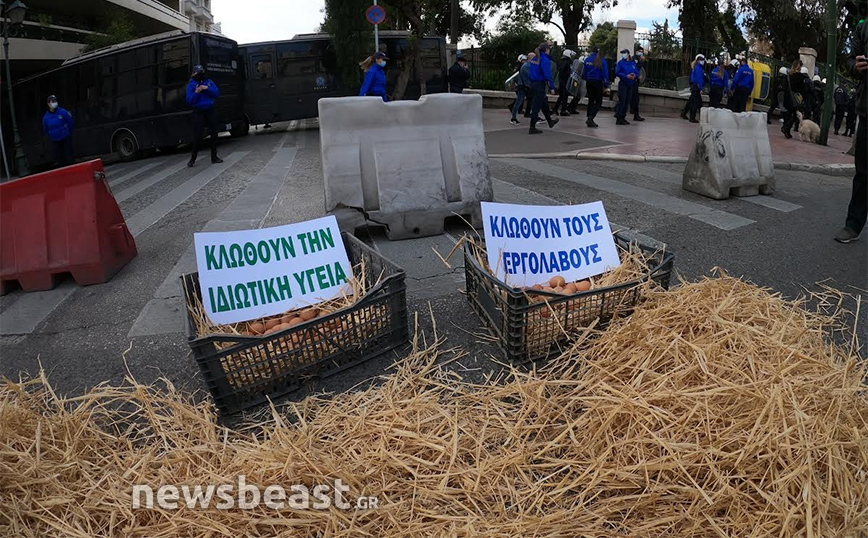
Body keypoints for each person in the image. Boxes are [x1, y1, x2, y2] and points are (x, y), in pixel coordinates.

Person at [834, 19, 867, 244]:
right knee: (864, 172)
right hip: (867, 109)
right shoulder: (863, 27)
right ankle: (853, 224)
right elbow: (849, 59)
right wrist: (855, 66)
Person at [185, 65, 222, 167]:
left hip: (210, 109)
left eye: (202, 72)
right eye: (198, 73)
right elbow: (189, 101)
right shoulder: (191, 84)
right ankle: (193, 158)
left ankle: (214, 157)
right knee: (197, 135)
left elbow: (217, 93)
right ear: (194, 74)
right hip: (198, 111)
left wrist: (207, 88)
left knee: (214, 133)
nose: (201, 75)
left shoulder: (208, 81)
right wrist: (197, 92)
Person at [528, 42, 559, 134]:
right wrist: (552, 87)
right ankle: (532, 127)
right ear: (546, 50)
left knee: (544, 103)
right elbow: (548, 74)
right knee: (536, 106)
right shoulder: (544, 59)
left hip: (533, 83)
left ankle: (550, 121)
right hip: (539, 84)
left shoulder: (535, 58)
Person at [42, 95, 74, 168]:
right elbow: (46, 129)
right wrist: (52, 135)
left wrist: (68, 132)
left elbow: (70, 122)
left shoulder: (63, 112)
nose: (54, 103)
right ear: (48, 104)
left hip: (65, 137)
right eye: (52, 101)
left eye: (55, 101)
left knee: (69, 156)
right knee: (59, 158)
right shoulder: (46, 117)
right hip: (55, 140)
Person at [582, 47, 610, 128]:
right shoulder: (602, 60)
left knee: (591, 100)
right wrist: (606, 84)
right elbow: (605, 73)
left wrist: (586, 78)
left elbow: (584, 72)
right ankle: (591, 118)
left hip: (589, 82)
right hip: (597, 82)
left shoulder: (587, 59)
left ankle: (589, 117)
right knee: (598, 102)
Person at [782, 60, 807, 139]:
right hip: (795, 98)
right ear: (799, 67)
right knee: (796, 114)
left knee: (788, 113)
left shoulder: (788, 75)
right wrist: (804, 98)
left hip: (787, 97)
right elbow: (802, 89)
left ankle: (786, 129)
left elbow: (784, 87)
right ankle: (786, 128)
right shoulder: (800, 76)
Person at [614, 49, 639, 125]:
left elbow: (637, 72)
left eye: (624, 53)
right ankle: (619, 117)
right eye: (622, 53)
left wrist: (634, 75)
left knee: (627, 101)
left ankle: (623, 117)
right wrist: (626, 76)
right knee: (622, 101)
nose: (623, 54)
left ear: (628, 54)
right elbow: (617, 72)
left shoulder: (632, 63)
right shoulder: (620, 63)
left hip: (631, 84)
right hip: (623, 84)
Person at [554, 49, 575, 116]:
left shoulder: (561, 61)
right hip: (565, 81)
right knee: (565, 96)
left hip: (561, 81)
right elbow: (566, 72)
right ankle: (563, 110)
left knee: (561, 96)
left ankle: (555, 109)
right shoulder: (567, 62)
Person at [510, 54, 530, 125]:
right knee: (519, 102)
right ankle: (513, 118)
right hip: (522, 86)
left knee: (520, 101)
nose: (524, 61)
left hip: (524, 86)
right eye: (523, 60)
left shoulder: (523, 67)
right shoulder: (520, 68)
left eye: (525, 60)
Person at [687, 54, 706, 123]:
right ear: (698, 61)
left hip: (694, 86)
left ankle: (693, 116)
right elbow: (699, 79)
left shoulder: (696, 67)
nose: (703, 61)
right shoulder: (699, 68)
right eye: (701, 60)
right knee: (695, 103)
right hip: (696, 87)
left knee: (695, 102)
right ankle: (692, 117)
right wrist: (700, 88)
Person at [629, 47, 646, 121]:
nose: (641, 53)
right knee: (633, 98)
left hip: (635, 80)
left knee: (634, 98)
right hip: (633, 80)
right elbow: (637, 67)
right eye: (639, 51)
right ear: (636, 51)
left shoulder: (638, 59)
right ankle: (635, 114)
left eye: (642, 51)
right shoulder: (634, 59)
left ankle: (635, 113)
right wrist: (642, 61)